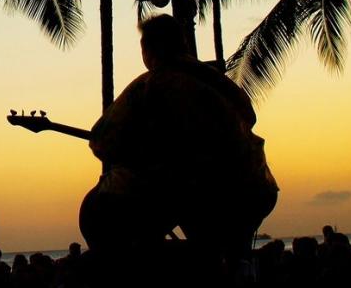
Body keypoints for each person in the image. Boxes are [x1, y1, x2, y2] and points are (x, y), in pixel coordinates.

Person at [80, 14, 277, 263]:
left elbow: (102, 141)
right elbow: (249, 117)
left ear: (148, 50)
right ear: (182, 44)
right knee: (222, 248)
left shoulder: (151, 83)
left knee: (97, 211)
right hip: (255, 187)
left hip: (198, 189)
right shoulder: (219, 82)